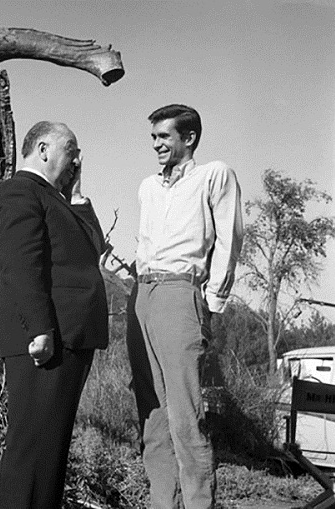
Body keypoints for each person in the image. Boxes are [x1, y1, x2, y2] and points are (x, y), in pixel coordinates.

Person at [127, 104, 243, 509]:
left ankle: (197, 504)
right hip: (141, 295)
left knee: (185, 417)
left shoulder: (215, 175)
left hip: (182, 294)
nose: (156, 144)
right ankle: (162, 503)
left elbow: (229, 239)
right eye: (153, 137)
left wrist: (210, 303)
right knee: (153, 416)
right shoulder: (147, 187)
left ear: (188, 137)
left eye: (164, 137)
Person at [0, 121, 109, 509]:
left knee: (50, 452)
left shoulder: (57, 198)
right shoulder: (19, 191)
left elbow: (95, 248)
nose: (77, 158)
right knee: (32, 453)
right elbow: (21, 265)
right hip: (44, 339)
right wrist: (39, 329)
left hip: (70, 337)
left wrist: (76, 195)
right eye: (70, 148)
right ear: (42, 149)